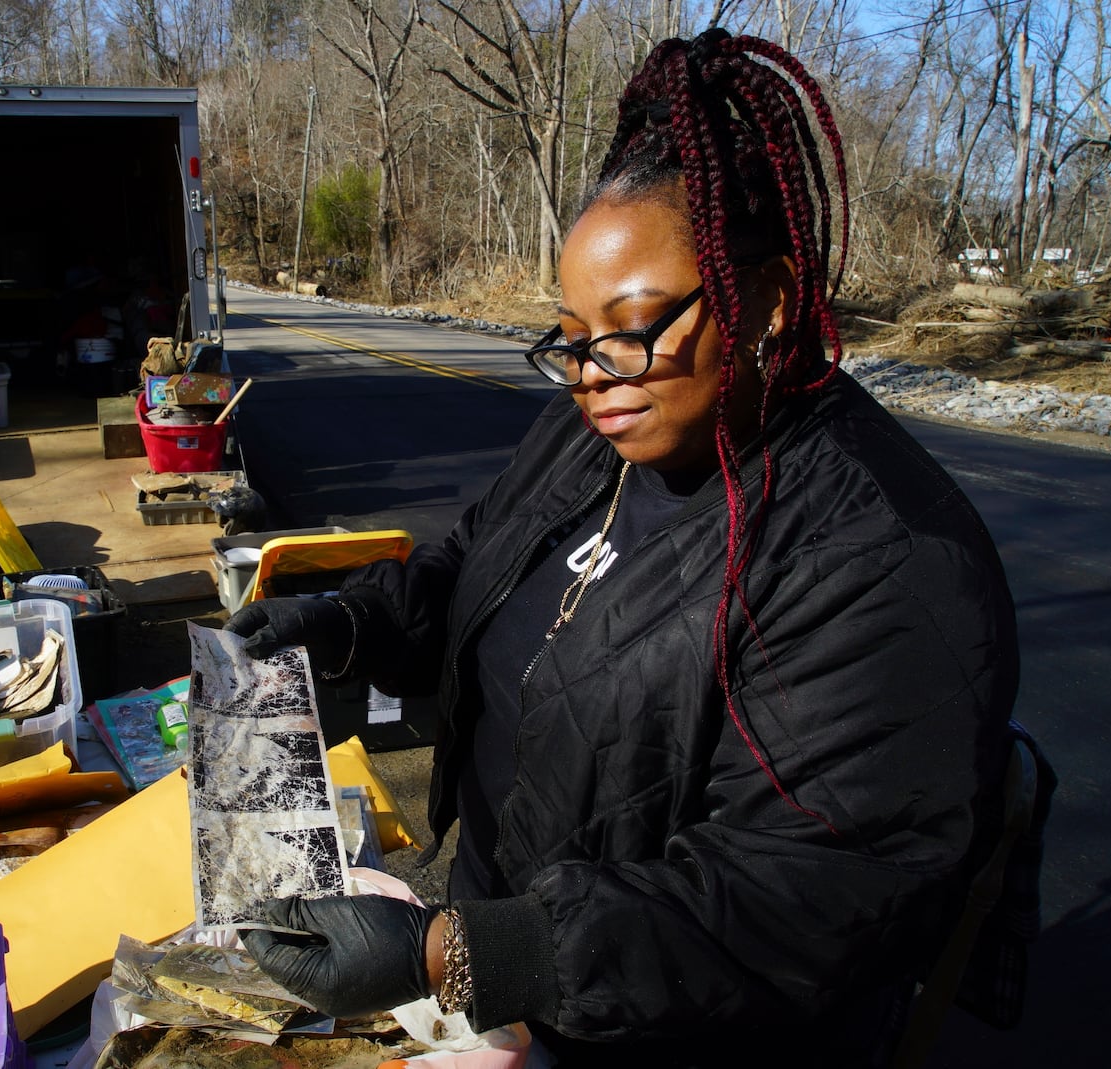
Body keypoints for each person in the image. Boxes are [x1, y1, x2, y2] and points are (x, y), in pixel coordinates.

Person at [227, 26, 1019, 1067]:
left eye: (634, 325)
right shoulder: (596, 425)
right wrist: (344, 624)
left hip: (668, 1025)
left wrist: (453, 949)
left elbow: (789, 900)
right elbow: (470, 567)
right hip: (507, 956)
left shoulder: (880, 559)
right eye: (571, 334)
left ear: (767, 302)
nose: (594, 372)